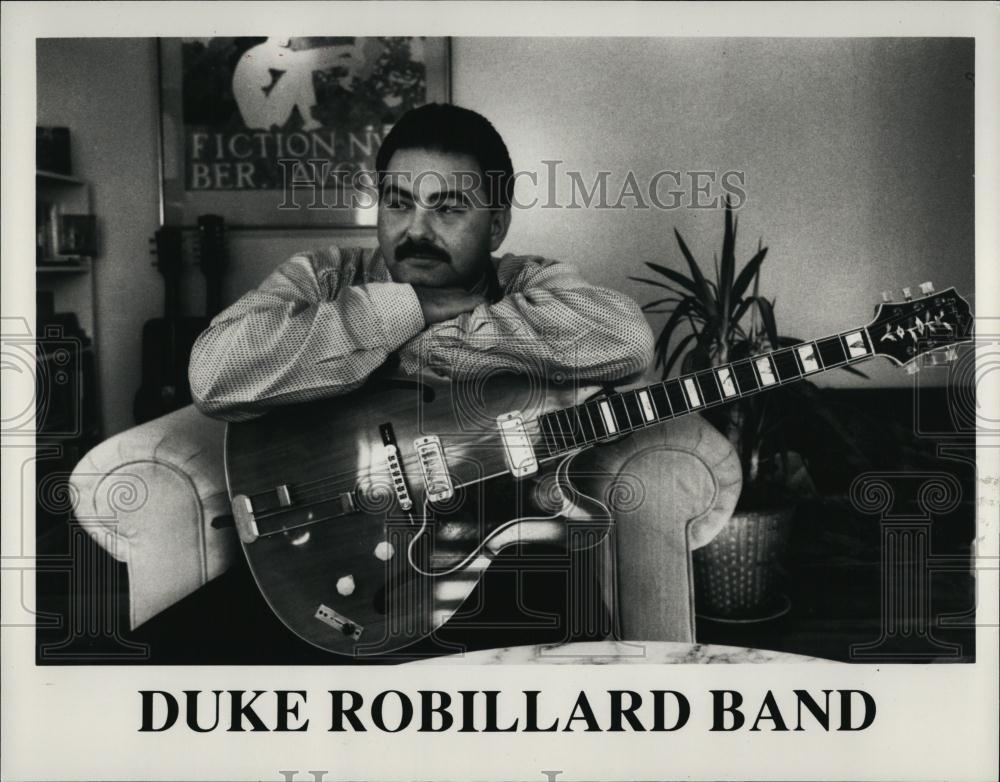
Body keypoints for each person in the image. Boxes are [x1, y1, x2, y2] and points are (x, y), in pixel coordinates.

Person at [188, 103, 656, 656]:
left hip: (496, 563)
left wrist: (412, 342)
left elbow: (627, 339)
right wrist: (414, 306)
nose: (416, 230)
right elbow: (213, 374)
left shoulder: (529, 282)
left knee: (574, 673)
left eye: (449, 208)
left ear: (497, 224)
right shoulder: (325, 275)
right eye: (398, 203)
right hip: (329, 561)